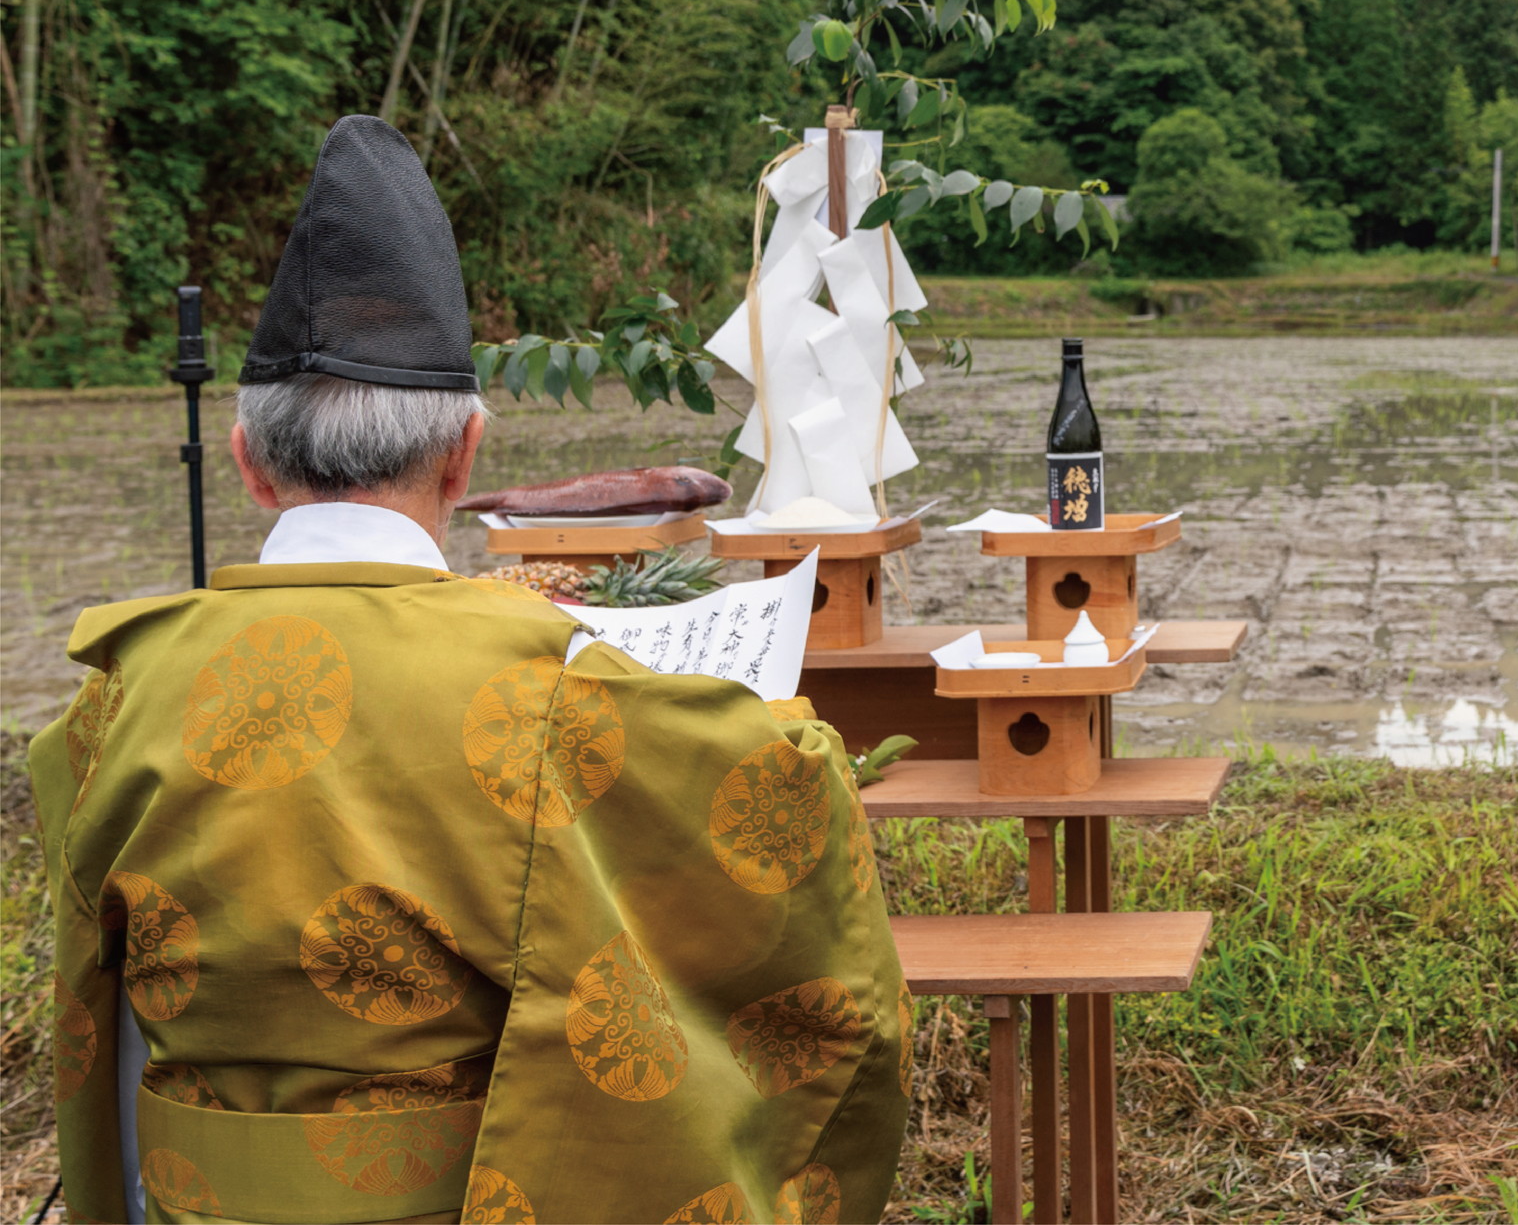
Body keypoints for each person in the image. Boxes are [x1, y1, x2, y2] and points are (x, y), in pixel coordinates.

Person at [32, 116, 907, 1225]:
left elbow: (94, 1023)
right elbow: (768, 812)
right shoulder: (541, 692)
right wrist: (807, 744)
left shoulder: (114, 695)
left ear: (249, 466)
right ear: (466, 456)